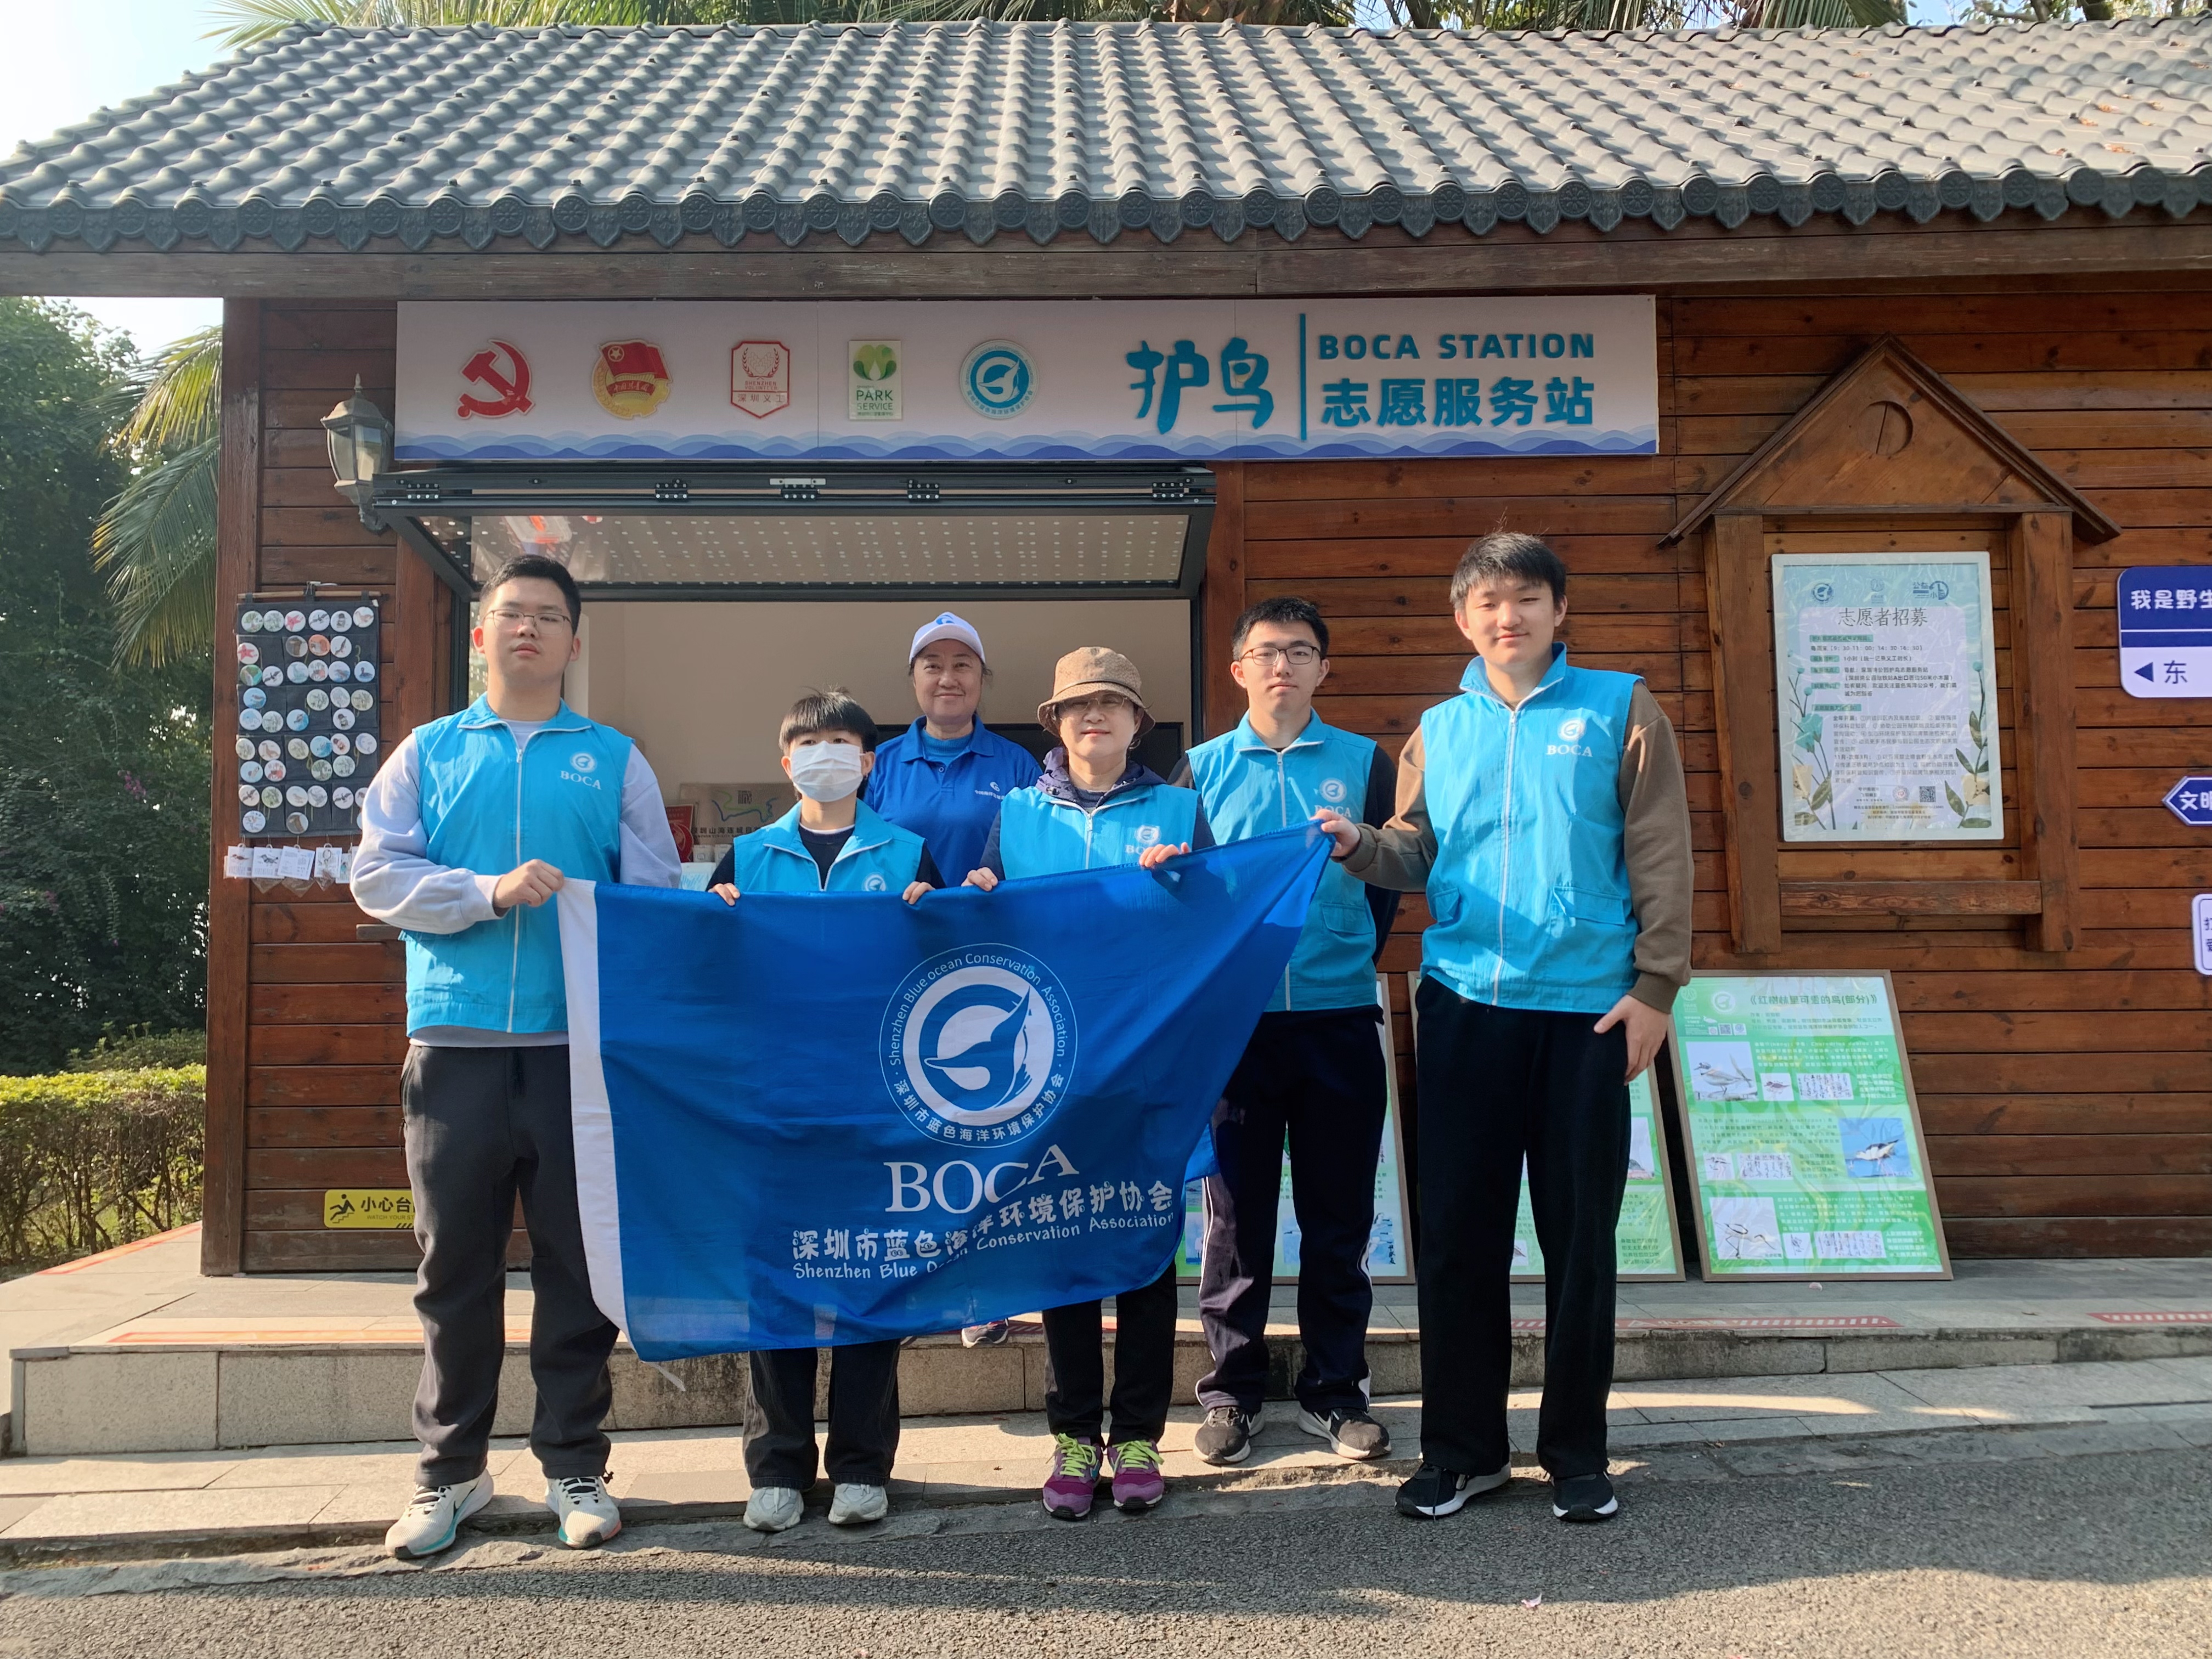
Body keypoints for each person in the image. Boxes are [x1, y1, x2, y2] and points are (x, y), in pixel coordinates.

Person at [1316, 532, 1691, 1526]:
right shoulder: (1441, 727)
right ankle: (1463, 1451)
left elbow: (1660, 849)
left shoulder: (1620, 709)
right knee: (1459, 1242)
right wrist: (1361, 845)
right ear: (1461, 618)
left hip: (1588, 1012)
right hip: (1466, 1007)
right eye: (1486, 601)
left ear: (1560, 611)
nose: (1506, 616)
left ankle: (1576, 1453)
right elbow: (1417, 850)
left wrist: (1657, 986)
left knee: (1581, 1244)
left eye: (1525, 598)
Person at [353, 552, 682, 1560]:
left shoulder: (615, 757)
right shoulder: (428, 752)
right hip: (452, 1045)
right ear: (482, 635)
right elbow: (374, 874)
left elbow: (653, 896)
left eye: (549, 616)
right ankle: (450, 1474)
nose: (529, 629)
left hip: (576, 1052)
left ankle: (575, 1466)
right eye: (512, 614)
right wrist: (485, 892)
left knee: (576, 1271)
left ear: (575, 643)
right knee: (453, 1266)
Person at [964, 647, 1211, 1521]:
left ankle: (1139, 1434)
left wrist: (1189, 884)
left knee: (1145, 1248)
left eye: (1111, 704)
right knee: (1063, 1246)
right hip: (1051, 1068)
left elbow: (1216, 928)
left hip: (1147, 1064)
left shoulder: (1182, 808)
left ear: (1139, 723)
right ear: (1056, 724)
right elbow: (984, 916)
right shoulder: (1018, 814)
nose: (1093, 717)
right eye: (1077, 707)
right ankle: (1074, 1435)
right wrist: (970, 893)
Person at [1173, 596, 1401, 1469]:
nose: (1283, 666)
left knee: (1339, 1216)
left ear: (1322, 669)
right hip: (1237, 1027)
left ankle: (1337, 1393)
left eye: (1301, 652)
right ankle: (1233, 1391)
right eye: (1266, 652)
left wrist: (1348, 950)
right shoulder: (1197, 771)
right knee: (1236, 1218)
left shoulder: (1364, 761)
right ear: (1238, 670)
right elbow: (1188, 892)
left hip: (1339, 1016)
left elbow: (1385, 872)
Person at [707, 689, 937, 1533]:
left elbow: (945, 974)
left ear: (870, 761)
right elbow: (709, 979)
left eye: (842, 740)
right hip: (775, 1107)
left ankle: (863, 1467)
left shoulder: (910, 854)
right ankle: (775, 1467)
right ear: (786, 762)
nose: (826, 754)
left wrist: (937, 917)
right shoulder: (748, 857)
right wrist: (712, 925)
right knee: (779, 1284)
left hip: (877, 1106)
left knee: (870, 1282)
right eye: (809, 742)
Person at [862, 612, 1040, 1347]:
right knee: (906, 1131)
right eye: (932, 663)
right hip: (896, 973)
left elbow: (1036, 859)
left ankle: (983, 1296)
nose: (947, 676)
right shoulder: (879, 765)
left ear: (983, 679)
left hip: (988, 973)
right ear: (912, 679)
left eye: (962, 663)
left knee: (982, 1128)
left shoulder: (1020, 767)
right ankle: (909, 1289)